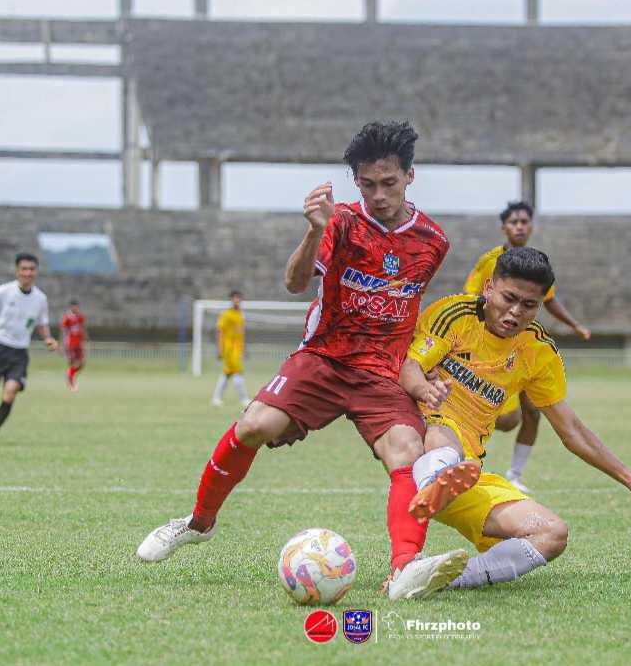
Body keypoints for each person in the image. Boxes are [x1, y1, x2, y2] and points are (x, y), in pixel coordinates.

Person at [136, 121, 473, 600]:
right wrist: (314, 231)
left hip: (381, 371)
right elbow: (296, 283)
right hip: (323, 358)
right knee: (253, 425)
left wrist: (418, 370)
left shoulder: (434, 241)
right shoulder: (341, 222)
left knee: (406, 454)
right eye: (368, 184)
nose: (379, 195)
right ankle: (197, 522)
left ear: (410, 177)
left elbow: (408, 310)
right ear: (356, 182)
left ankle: (404, 569)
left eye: (390, 183)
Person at [400, 247, 631, 591]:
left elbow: (572, 430)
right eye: (509, 298)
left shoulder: (539, 353)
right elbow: (410, 365)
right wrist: (422, 391)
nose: (515, 312)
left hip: (466, 473)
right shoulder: (454, 313)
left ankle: (443, 579)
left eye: (529, 305)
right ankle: (434, 479)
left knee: (552, 534)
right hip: (425, 445)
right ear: (489, 287)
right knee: (444, 431)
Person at [463, 201, 591, 493]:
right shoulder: (490, 261)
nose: (520, 226)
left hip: (524, 347)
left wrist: (575, 325)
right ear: (504, 228)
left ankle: (515, 475)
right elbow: (469, 297)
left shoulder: (537, 265)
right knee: (508, 420)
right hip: (494, 348)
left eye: (524, 222)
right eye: (514, 222)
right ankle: (462, 450)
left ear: (531, 227)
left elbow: (550, 300)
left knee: (534, 411)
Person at [0, 253, 58, 445]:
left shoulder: (40, 299)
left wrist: (48, 338)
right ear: (17, 271)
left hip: (19, 352)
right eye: (24, 269)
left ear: (36, 272)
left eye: (31, 269)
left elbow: (41, 323)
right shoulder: (3, 291)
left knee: (10, 392)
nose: (27, 273)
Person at [211, 291, 249, 408]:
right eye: (234, 298)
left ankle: (216, 398)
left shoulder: (240, 315)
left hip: (237, 349)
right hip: (228, 349)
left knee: (227, 373)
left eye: (238, 298)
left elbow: (241, 334)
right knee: (237, 371)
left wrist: (244, 349)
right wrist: (219, 348)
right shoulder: (226, 314)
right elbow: (220, 331)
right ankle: (243, 399)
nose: (237, 300)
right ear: (231, 300)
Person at [60, 299, 88, 392]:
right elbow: (63, 331)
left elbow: (83, 329)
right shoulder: (67, 317)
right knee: (73, 362)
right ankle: (71, 382)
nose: (75, 308)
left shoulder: (80, 317)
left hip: (79, 343)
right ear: (71, 307)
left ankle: (70, 376)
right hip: (70, 343)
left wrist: (86, 341)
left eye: (76, 306)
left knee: (82, 362)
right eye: (73, 306)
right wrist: (62, 345)